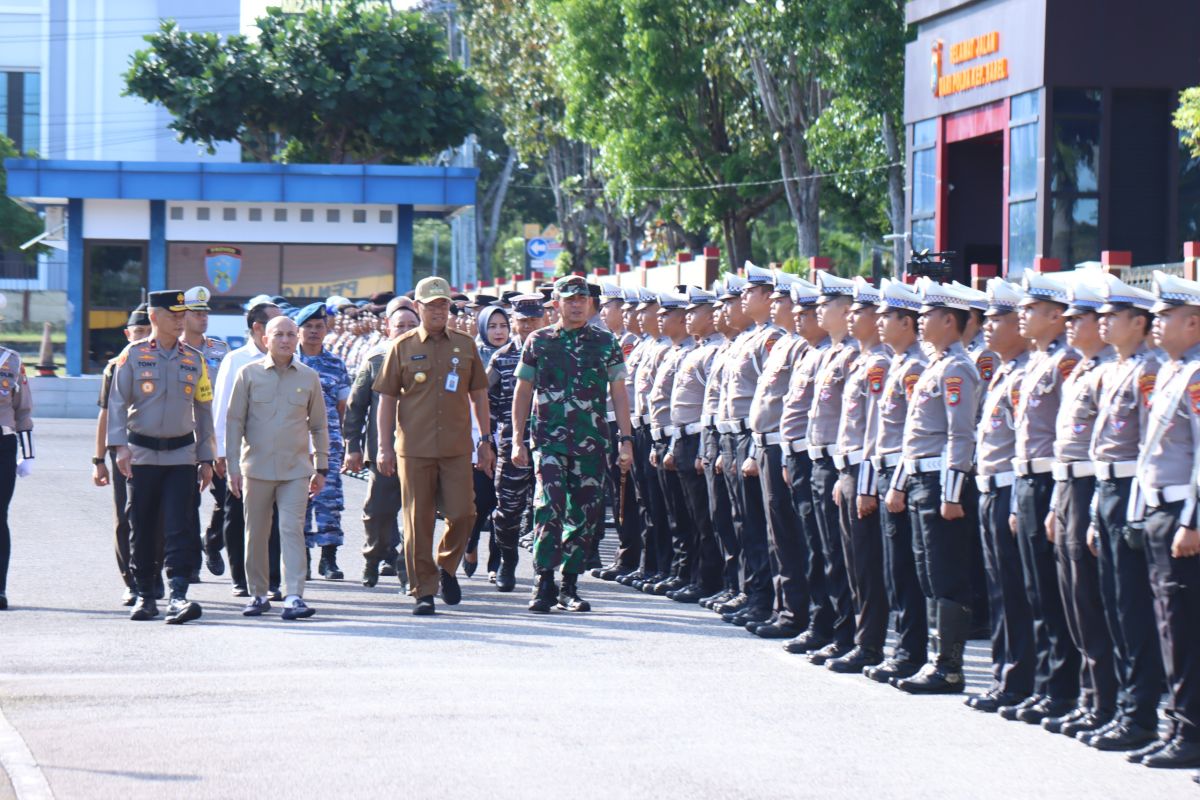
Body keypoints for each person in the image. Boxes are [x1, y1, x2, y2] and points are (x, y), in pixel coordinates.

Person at [511, 275, 634, 613]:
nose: (577, 304)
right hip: (548, 440)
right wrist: (517, 440)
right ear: (557, 304)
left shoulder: (606, 342)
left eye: (582, 298)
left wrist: (626, 439)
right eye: (570, 299)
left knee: (584, 513)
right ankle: (543, 579)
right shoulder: (538, 341)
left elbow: (619, 393)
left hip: (591, 442)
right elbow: (523, 391)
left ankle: (570, 584)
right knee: (548, 506)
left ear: (591, 303)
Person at [375, 275, 494, 615]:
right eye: (432, 305)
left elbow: (479, 395)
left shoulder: (465, 344)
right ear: (418, 307)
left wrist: (485, 441)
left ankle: (445, 566)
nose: (440, 310)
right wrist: (384, 447)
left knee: (464, 513)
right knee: (418, 521)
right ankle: (423, 590)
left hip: (457, 447)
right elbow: (386, 400)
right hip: (414, 449)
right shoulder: (402, 346)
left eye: (444, 304)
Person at [885, 279, 981, 693]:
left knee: (945, 575)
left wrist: (953, 493)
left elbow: (961, 435)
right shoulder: (937, 366)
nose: (920, 323)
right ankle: (933, 659)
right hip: (923, 477)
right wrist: (902, 483)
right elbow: (914, 436)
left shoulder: (958, 369)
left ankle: (949, 667)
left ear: (949, 320)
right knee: (926, 573)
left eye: (928, 316)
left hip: (942, 481)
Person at [1083, 276, 1163, 752]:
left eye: (1114, 316)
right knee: (1114, 605)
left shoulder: (1149, 372)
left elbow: (1153, 446)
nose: (1104, 323)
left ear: (1139, 323)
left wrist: (1135, 508)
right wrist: (1096, 510)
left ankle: (1141, 714)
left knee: (1134, 610)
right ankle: (1122, 709)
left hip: (1134, 491)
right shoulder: (1114, 369)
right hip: (1108, 488)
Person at [1125, 271, 1200, 769]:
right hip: (1158, 509)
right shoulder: (1173, 370)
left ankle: (1189, 734)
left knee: (1185, 629)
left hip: (1182, 513)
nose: (1155, 323)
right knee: (1166, 627)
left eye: (1165, 315)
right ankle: (1175, 725)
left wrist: (1193, 521)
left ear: (1193, 323)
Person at [107, 290, 214, 624]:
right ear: (155, 317)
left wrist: (207, 456)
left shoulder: (194, 359)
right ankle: (144, 594)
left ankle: (178, 595)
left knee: (179, 525)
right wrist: (119, 446)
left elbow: (204, 408)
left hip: (181, 456)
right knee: (141, 524)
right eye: (174, 315)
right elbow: (117, 404)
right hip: (141, 454)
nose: (181, 321)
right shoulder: (133, 355)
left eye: (183, 315)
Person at [1003, 270, 1081, 722]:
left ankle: (1062, 690)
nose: (1022, 316)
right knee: (1035, 591)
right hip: (1028, 480)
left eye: (1031, 310)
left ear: (1054, 316)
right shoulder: (1036, 362)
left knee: (1054, 594)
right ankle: (1046, 687)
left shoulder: (1065, 363)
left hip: (1054, 481)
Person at [1044, 276, 1118, 737]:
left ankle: (1105, 702)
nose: (1070, 326)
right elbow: (1064, 446)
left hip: (1095, 489)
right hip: (1068, 488)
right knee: (1073, 601)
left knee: (1093, 601)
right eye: (1067, 318)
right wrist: (1056, 504)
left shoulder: (1111, 369)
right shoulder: (1085, 369)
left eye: (1080, 319)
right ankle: (1089, 699)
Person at [226, 315, 329, 621]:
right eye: (278, 335)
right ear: (265, 339)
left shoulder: (309, 377)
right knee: (256, 533)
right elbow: (234, 423)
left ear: (297, 339)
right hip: (256, 469)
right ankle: (258, 594)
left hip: (296, 470)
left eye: (289, 334)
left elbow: (319, 426)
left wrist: (321, 466)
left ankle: (294, 595)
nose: (285, 340)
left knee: (291, 530)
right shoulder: (248, 374)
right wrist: (233, 467)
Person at [966, 278, 1036, 712]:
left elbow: (1028, 444)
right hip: (992, 487)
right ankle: (1004, 676)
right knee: (1000, 591)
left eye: (998, 318)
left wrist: (1013, 502)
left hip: (1013, 489)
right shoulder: (1007, 370)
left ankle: (1020, 680)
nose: (988, 326)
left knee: (1017, 591)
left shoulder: (1028, 371)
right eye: (987, 318)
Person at [865, 278, 929, 683]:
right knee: (896, 571)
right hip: (888, 472)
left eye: (887, 316)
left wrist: (897, 484)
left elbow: (912, 435)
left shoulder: (915, 367)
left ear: (907, 322)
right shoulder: (902, 364)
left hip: (903, 476)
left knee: (908, 571)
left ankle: (911, 653)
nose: (879, 321)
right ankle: (903, 650)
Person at [827, 277, 891, 674]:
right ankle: (853, 639)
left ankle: (869, 644)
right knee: (850, 563)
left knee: (867, 566)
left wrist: (864, 484)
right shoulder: (862, 361)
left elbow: (875, 430)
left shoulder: (880, 363)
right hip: (847, 470)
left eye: (859, 311)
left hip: (865, 475)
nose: (852, 317)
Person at [715, 263, 783, 627]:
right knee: (740, 520)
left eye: (748, 293)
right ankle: (748, 589)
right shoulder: (745, 338)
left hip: (750, 437)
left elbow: (769, 399)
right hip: (731, 436)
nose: (740, 299)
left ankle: (762, 598)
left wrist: (755, 449)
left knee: (757, 524)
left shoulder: (770, 339)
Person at [803, 270, 859, 664]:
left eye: (826, 305)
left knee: (841, 556)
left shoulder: (854, 356)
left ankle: (847, 636)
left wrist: (844, 472)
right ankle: (823, 626)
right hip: (817, 459)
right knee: (821, 551)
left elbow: (854, 421)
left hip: (840, 465)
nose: (818, 310)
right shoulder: (827, 353)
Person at [746, 275, 805, 637]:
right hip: (767, 443)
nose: (778, 307)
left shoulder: (792, 345)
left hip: (785, 446)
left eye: (781, 301)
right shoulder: (785, 345)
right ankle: (782, 607)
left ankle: (794, 611)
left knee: (788, 533)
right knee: (775, 533)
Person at [344, 299, 418, 590]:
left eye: (412, 325)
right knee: (377, 513)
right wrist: (352, 445)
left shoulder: (431, 358)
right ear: (389, 328)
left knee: (416, 515)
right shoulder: (376, 358)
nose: (406, 330)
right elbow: (356, 405)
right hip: (383, 452)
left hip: (420, 452)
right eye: (400, 326)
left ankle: (407, 570)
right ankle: (374, 557)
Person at [213, 301, 284, 599]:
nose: (283, 334)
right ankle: (240, 578)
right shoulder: (236, 359)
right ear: (258, 328)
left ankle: (273, 580)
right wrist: (220, 451)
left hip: (281, 451)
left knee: (276, 516)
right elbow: (222, 408)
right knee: (238, 514)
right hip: (244, 452)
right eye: (275, 326)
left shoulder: (289, 358)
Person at [92, 303, 157, 605]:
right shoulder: (115, 366)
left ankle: (153, 576)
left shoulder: (163, 361)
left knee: (157, 517)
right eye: (138, 332)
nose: (142, 336)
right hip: (124, 450)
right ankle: (130, 581)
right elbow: (105, 414)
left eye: (147, 331)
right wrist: (98, 460)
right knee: (125, 518)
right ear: (127, 333)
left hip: (158, 450)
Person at [665, 285, 725, 604]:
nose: (688, 317)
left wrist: (704, 448)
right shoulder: (697, 349)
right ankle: (695, 576)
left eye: (694, 311)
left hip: (701, 438)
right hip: (685, 437)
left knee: (705, 517)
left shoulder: (714, 350)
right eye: (685, 312)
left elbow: (710, 405)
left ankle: (708, 579)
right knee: (692, 515)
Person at [488, 295, 545, 591]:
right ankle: (507, 561)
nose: (528, 327)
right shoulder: (502, 358)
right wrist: (487, 440)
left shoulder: (554, 352)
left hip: (549, 445)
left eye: (534, 320)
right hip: (513, 445)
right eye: (523, 322)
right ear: (514, 323)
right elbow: (485, 401)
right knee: (507, 510)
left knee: (545, 510)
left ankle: (541, 570)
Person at [296, 302, 352, 580]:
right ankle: (302, 555)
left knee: (329, 501)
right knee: (298, 501)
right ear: (298, 330)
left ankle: (329, 559)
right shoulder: (290, 362)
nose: (314, 332)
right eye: (308, 327)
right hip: (294, 444)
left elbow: (344, 408)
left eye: (319, 327)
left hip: (327, 445)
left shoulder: (336, 364)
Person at [645, 291, 696, 596]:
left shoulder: (691, 351)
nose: (659, 318)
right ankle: (675, 570)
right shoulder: (672, 351)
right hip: (660, 437)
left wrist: (674, 443)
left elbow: (691, 407)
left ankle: (692, 574)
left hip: (685, 439)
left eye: (667, 314)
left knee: (690, 516)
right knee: (667, 512)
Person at [182, 286, 231, 582]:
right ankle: (190, 563)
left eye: (205, 313)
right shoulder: (174, 349)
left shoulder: (220, 350)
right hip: (186, 434)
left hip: (216, 436)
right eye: (197, 313)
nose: (202, 318)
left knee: (229, 500)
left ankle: (212, 542)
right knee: (187, 500)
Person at [594, 282, 642, 580]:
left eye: (607, 307)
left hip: (623, 424)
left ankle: (630, 556)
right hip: (608, 421)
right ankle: (626, 555)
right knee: (617, 491)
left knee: (627, 494)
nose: (602, 312)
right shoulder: (613, 340)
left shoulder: (628, 343)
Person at [465, 304, 511, 577]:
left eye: (503, 326)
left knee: (502, 504)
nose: (498, 331)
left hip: (506, 440)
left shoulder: (520, 355)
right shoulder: (470, 357)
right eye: (492, 326)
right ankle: (470, 545)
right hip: (476, 441)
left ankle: (496, 563)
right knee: (480, 502)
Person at [0, 290, 34, 611]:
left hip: (3, 445)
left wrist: (28, 454)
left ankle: (0, 588)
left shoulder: (10, 360)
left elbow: (23, 410)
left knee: (0, 516)